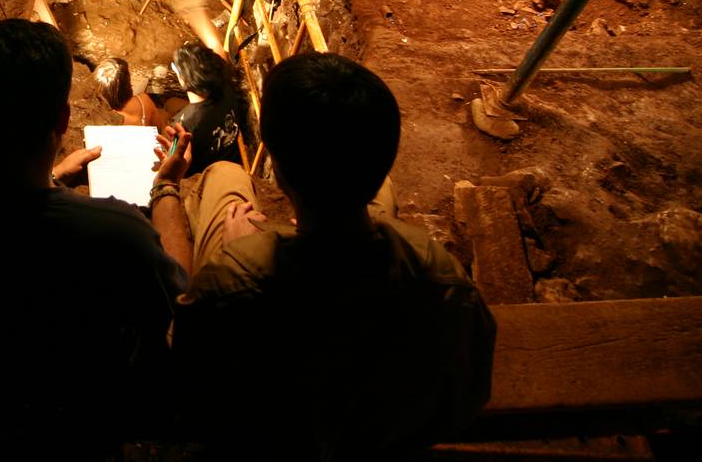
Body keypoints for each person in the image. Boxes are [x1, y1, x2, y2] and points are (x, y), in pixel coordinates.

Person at [149, 52, 496, 459]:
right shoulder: (442, 276)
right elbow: (468, 397)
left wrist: (173, 190)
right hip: (386, 439)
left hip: (270, 445)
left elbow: (187, 384)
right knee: (381, 198)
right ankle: (339, 212)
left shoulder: (232, 281)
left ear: (276, 168)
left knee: (226, 175)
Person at [0, 19, 187, 457]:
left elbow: (2, 229)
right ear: (63, 119)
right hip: (79, 418)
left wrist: (54, 178)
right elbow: (183, 299)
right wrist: (167, 186)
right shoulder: (117, 233)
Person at [170, 41, 251, 176]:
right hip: (232, 163)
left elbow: (178, 168)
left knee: (166, 109)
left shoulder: (183, 126)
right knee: (172, 103)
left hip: (207, 177)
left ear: (183, 80)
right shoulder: (226, 85)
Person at [93, 57, 172, 130]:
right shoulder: (144, 101)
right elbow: (159, 128)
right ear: (127, 85)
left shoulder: (99, 116)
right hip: (148, 131)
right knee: (171, 104)